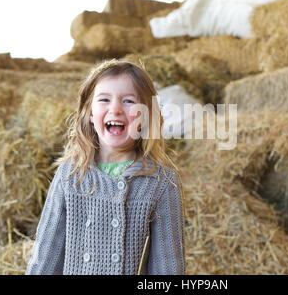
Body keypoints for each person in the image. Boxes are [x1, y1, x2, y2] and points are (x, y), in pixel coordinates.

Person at [25, 59, 185, 275]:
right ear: (90, 113)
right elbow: (45, 255)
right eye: (104, 99)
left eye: (128, 101)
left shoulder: (161, 181)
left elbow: (168, 264)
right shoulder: (70, 175)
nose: (116, 109)